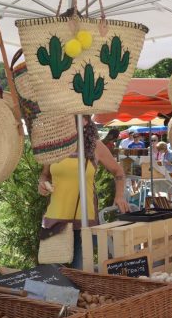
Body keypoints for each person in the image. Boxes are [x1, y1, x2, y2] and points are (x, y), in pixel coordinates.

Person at [38, 115, 130, 269]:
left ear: (85, 121)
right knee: (53, 276)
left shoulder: (96, 146)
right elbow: (45, 174)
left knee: (79, 275)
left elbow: (118, 172)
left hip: (84, 221)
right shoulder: (53, 146)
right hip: (55, 219)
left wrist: (119, 196)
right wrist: (42, 184)